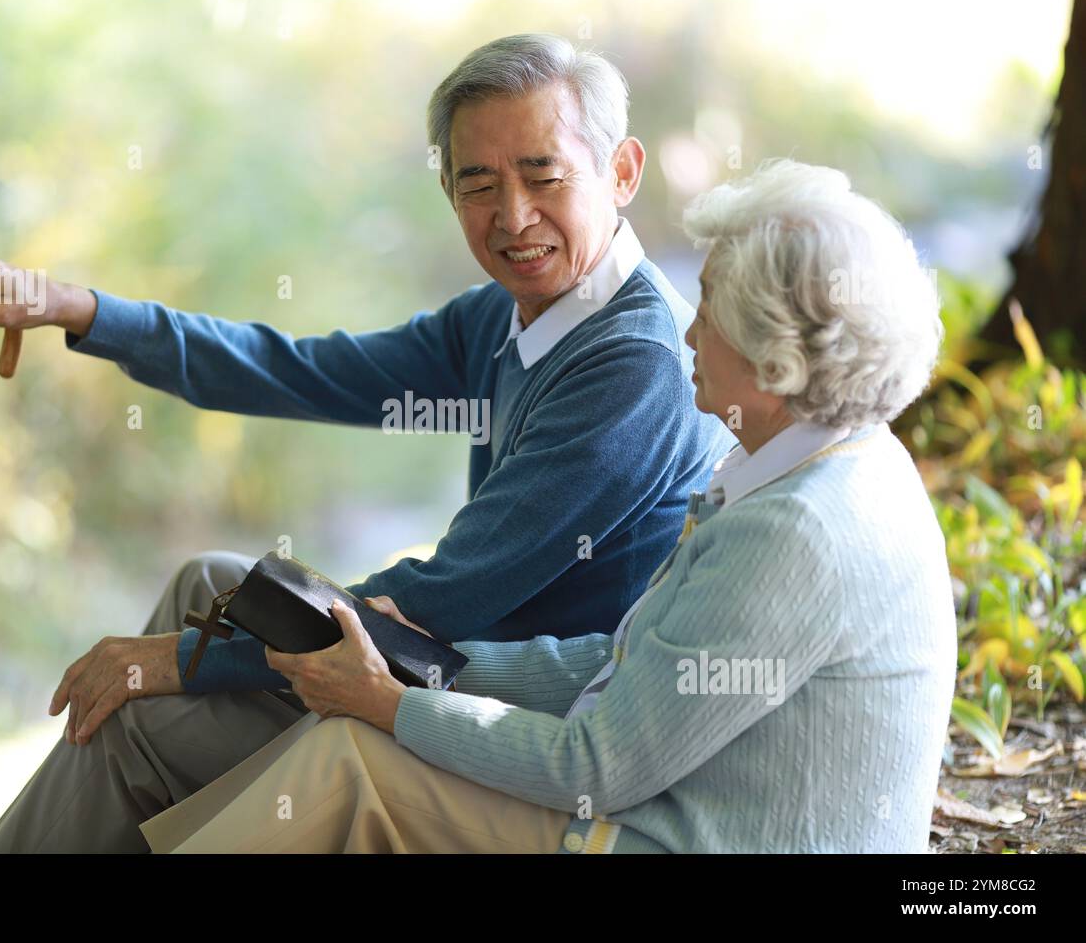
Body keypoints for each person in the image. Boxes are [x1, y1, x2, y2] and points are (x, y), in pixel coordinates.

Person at [0, 34, 732, 852]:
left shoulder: (632, 363)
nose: (513, 216)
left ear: (622, 172)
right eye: (479, 184)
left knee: (140, 719)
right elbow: (296, 371)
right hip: (442, 672)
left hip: (512, 726)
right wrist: (78, 309)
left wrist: (175, 662)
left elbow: (434, 599)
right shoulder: (507, 315)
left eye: (544, 175)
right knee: (203, 584)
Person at [142, 158, 958, 854]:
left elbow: (595, 767)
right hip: (684, 807)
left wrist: (391, 702)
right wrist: (432, 657)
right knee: (351, 740)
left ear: (774, 361)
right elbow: (633, 664)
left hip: (673, 832)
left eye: (708, 309)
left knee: (354, 757)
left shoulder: (797, 532)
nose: (689, 333)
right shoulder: (827, 461)